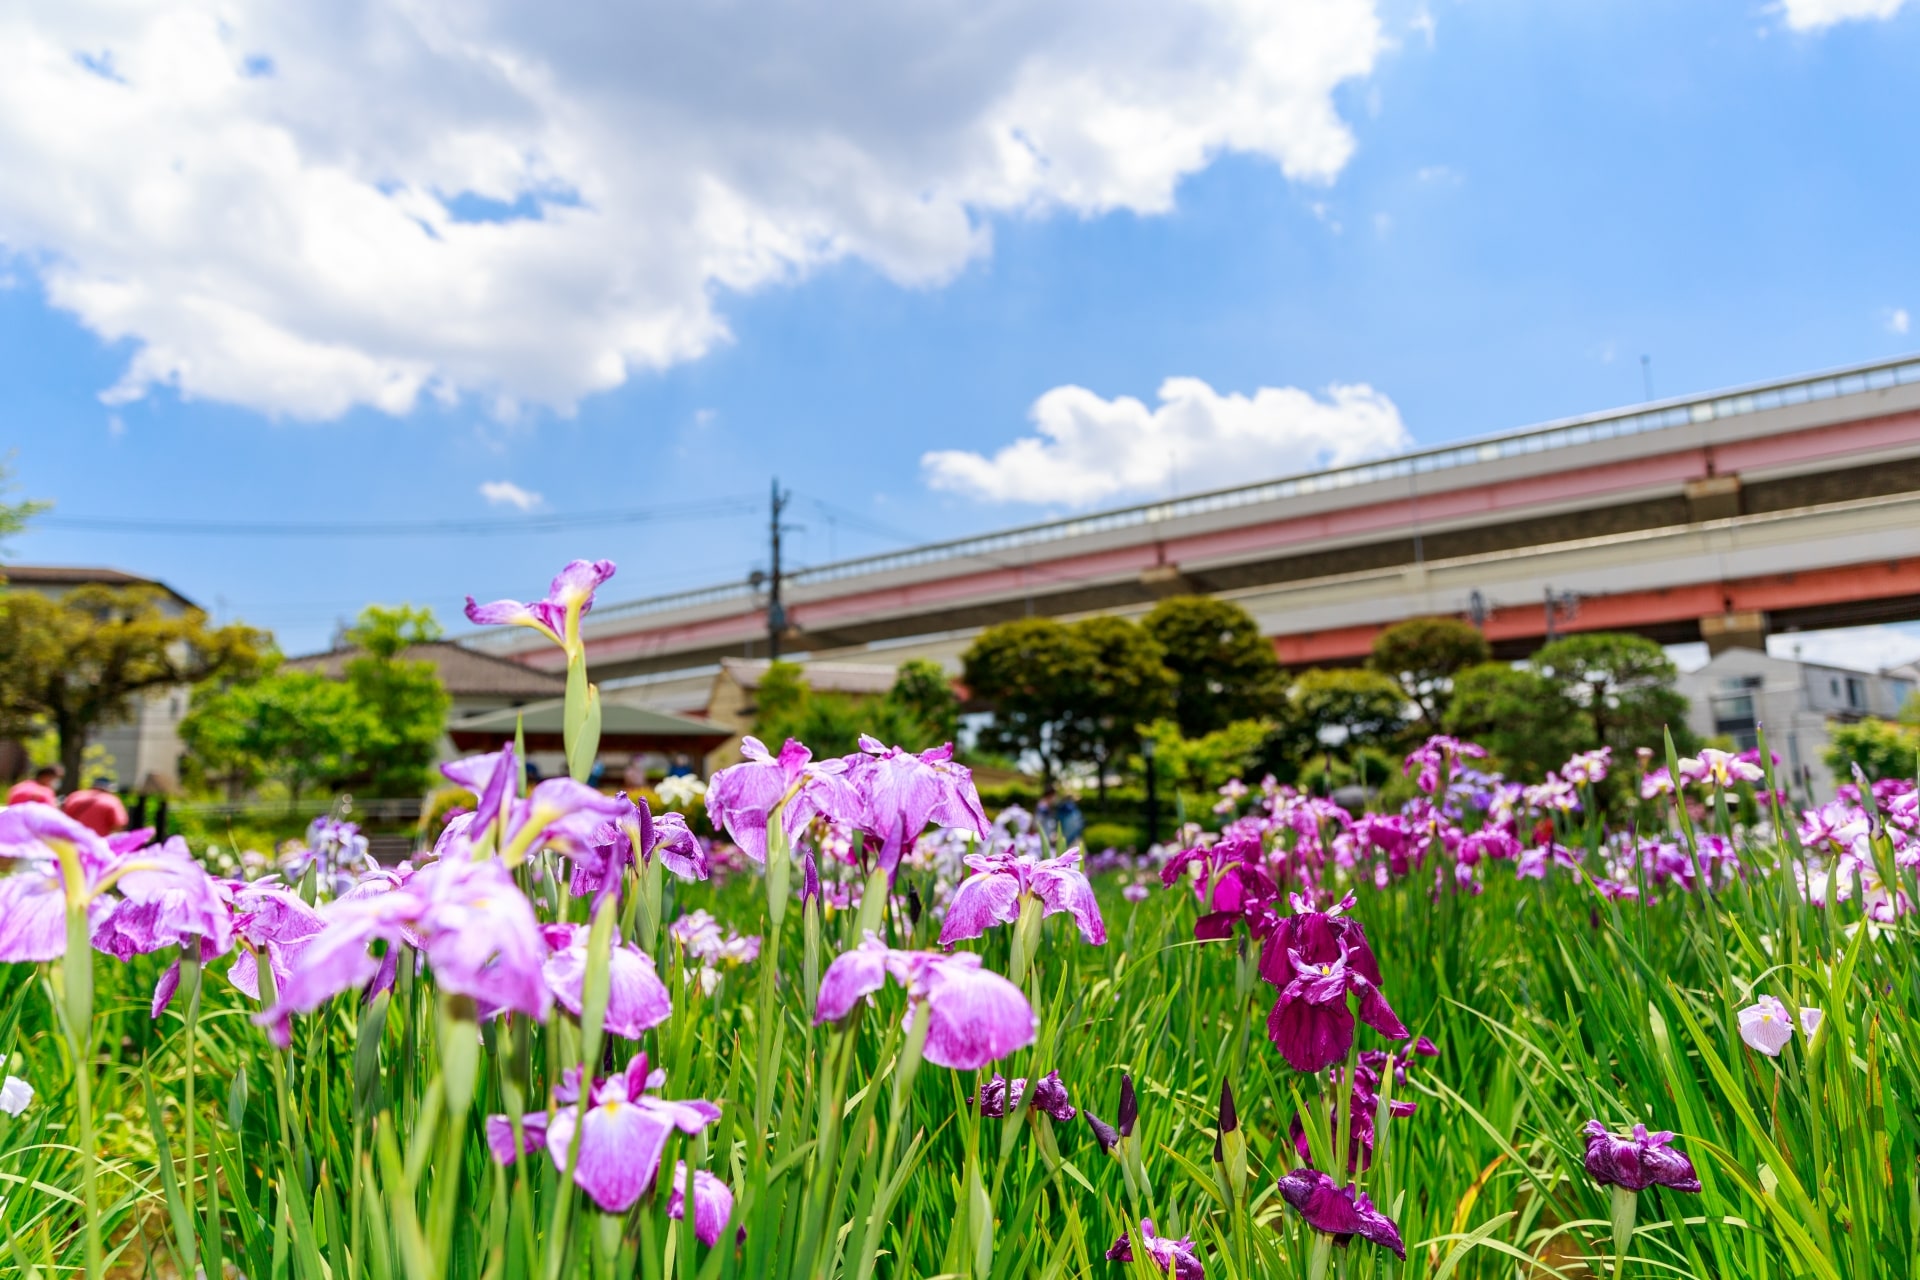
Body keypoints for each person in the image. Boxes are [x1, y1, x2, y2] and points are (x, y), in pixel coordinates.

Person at [61, 779, 129, 837]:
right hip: (97, 843)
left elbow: (63, 817)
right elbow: (119, 825)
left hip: (72, 841)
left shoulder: (75, 795)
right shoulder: (112, 800)